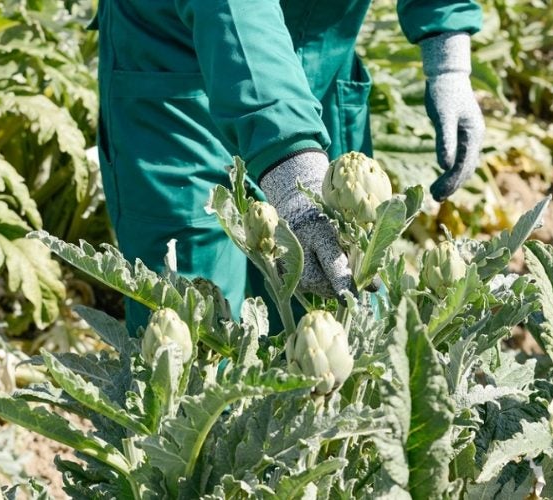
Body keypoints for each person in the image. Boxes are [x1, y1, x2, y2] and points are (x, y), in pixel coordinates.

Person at [90, 1, 484, 333]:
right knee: (190, 318)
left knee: (336, 309)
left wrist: (447, 51)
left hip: (318, 53)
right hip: (177, 68)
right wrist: (290, 162)